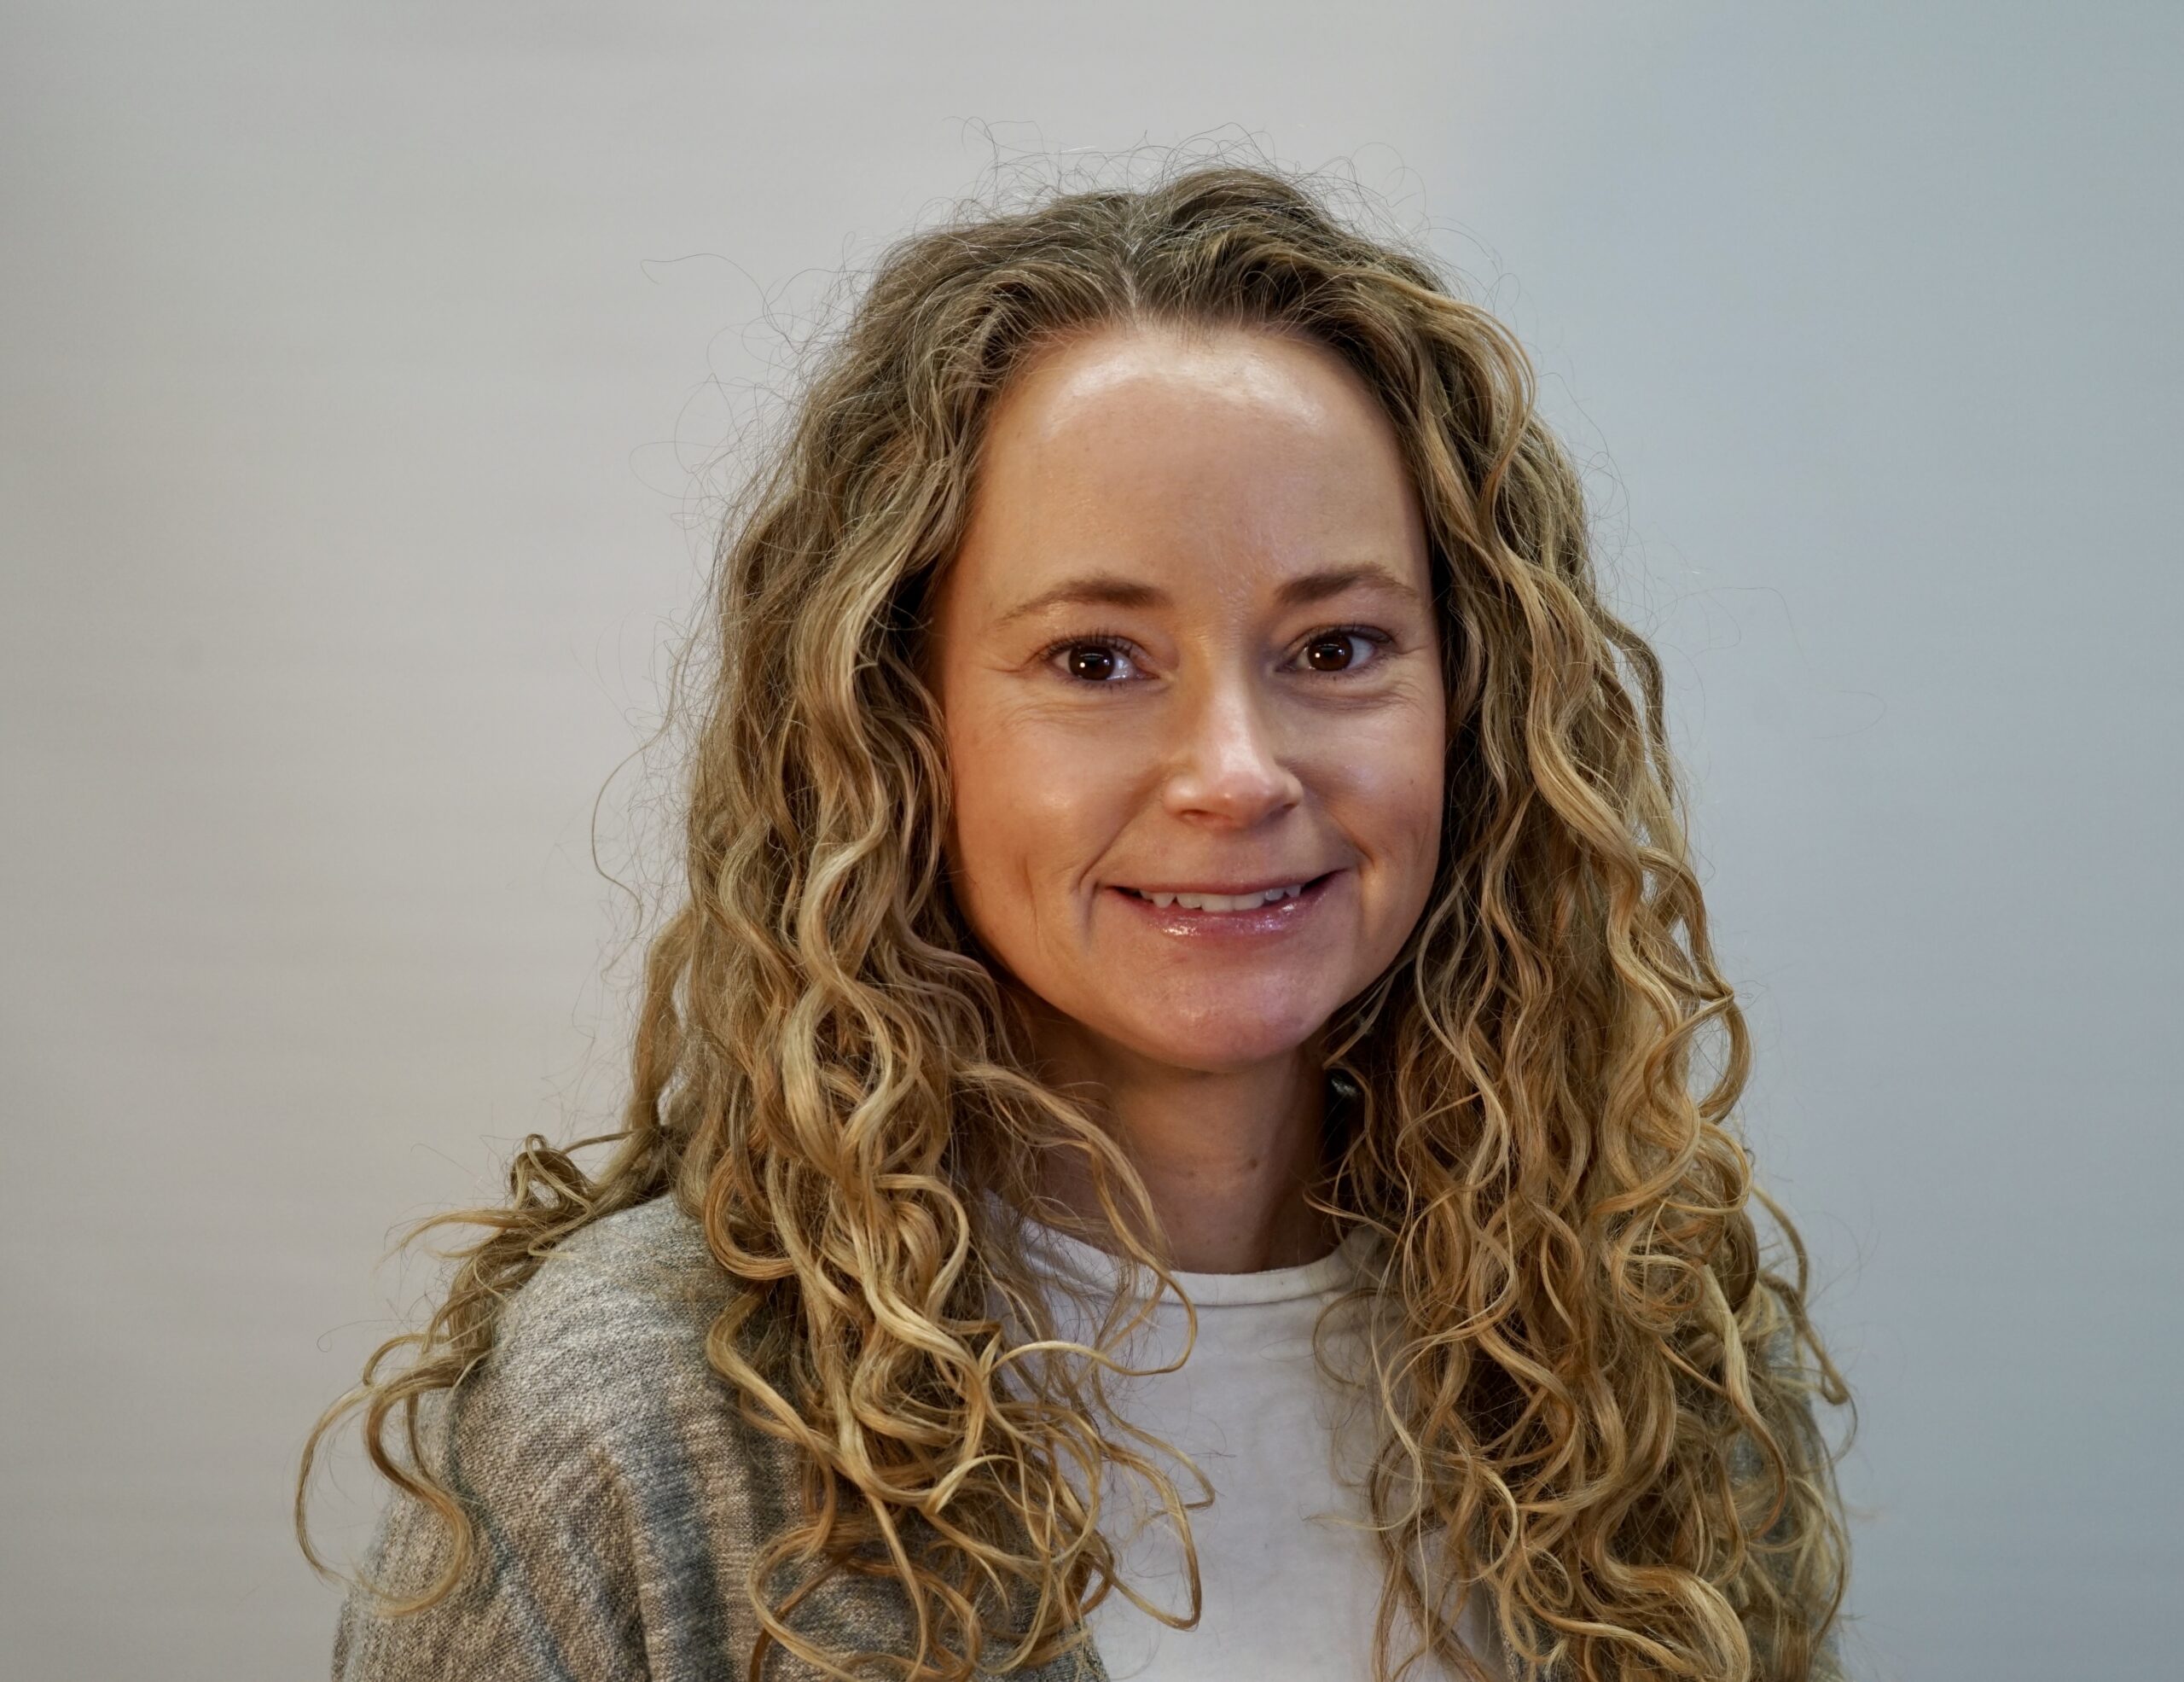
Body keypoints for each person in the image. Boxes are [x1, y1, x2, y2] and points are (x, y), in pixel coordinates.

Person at [299, 162, 1854, 1682]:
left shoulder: (1650, 1347)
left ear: (1475, 704)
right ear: (898, 726)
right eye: (1096, 661)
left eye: (1336, 646)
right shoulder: (637, 1430)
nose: (1236, 773)